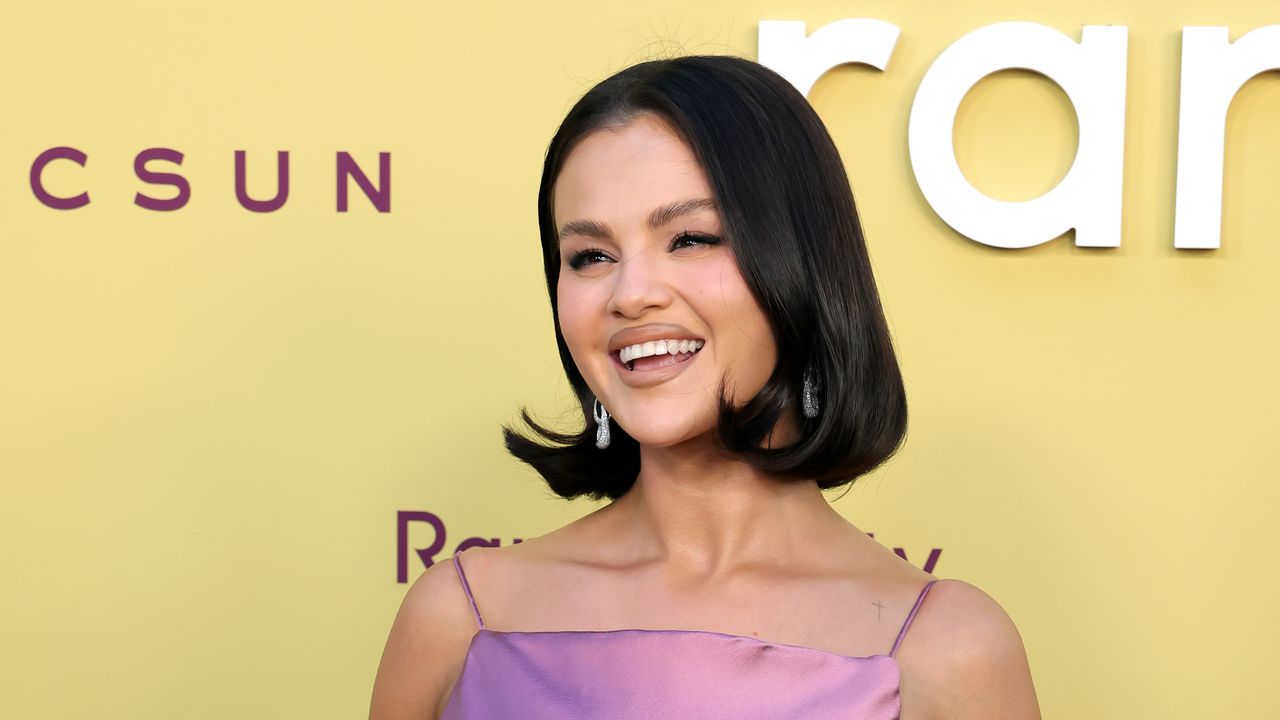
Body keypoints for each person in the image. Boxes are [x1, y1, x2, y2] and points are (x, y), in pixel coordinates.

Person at [370, 54, 1041, 719]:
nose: (631, 294)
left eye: (690, 238)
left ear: (801, 265)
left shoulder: (947, 649)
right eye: (591, 256)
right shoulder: (460, 618)